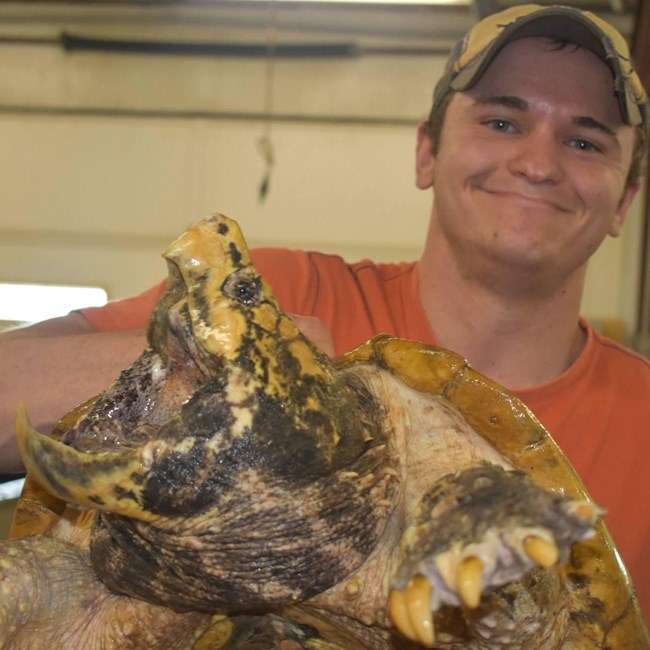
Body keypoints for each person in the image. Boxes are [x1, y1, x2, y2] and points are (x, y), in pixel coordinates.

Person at [1, 2, 649, 621]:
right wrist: (230, 359)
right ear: (426, 152)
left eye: (585, 142)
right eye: (501, 122)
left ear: (626, 199)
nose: (538, 163)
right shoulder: (281, 294)